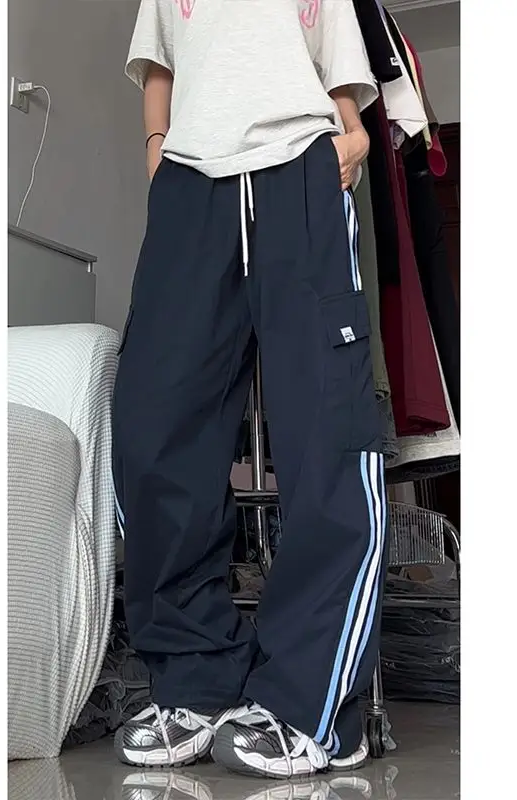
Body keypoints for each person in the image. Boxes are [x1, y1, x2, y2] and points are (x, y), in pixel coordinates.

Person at [112, 0, 388, 780]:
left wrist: (354, 134)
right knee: (154, 425)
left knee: (325, 425)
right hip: (189, 179)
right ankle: (194, 679)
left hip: (299, 160)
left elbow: (338, 64)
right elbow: (160, 63)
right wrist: (158, 151)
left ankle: (314, 702)